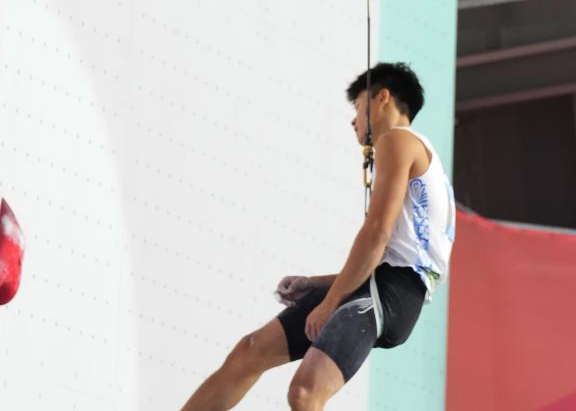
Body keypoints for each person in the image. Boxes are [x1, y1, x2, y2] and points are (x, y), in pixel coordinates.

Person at [179, 62, 455, 411]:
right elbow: (389, 256)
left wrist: (329, 302)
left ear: (382, 98)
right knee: (251, 350)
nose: (353, 121)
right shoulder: (419, 157)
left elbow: (376, 235)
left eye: (358, 106)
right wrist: (318, 284)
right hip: (383, 286)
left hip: (391, 293)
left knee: (306, 393)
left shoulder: (397, 140)